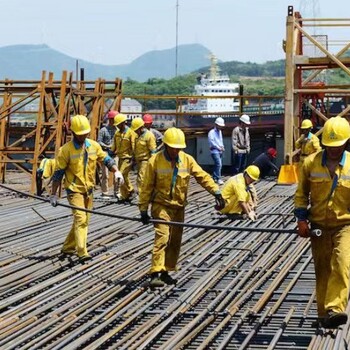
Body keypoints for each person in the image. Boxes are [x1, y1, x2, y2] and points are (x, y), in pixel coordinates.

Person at [138, 127, 225, 288]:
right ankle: (155, 272)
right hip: (161, 206)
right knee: (162, 237)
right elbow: (146, 186)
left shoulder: (187, 160)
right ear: (165, 146)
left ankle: (166, 271)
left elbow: (202, 177)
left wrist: (216, 192)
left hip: (179, 207)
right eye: (173, 148)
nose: (176, 151)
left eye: (178, 148)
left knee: (175, 240)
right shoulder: (154, 161)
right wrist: (143, 209)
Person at [294, 116, 350, 328]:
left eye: (338, 145)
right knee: (323, 270)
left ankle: (335, 308)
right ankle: (323, 315)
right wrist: (301, 219)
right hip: (317, 226)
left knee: (342, 264)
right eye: (330, 145)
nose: (334, 150)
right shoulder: (310, 163)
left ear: (346, 142)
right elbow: (301, 194)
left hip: (344, 225)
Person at [50, 115, 123, 263]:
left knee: (82, 220)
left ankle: (67, 247)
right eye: (80, 133)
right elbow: (58, 174)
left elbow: (106, 159)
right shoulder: (66, 150)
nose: (83, 135)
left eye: (85, 133)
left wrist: (116, 171)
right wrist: (53, 194)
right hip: (74, 190)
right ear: (74, 132)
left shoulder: (93, 146)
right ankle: (82, 252)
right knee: (81, 219)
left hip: (89, 190)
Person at [111, 113, 137, 201]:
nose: (117, 126)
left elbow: (133, 145)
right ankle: (125, 195)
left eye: (118, 124)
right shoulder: (117, 133)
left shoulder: (130, 133)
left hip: (128, 158)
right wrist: (110, 153)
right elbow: (114, 146)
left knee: (120, 175)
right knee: (123, 177)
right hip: (120, 158)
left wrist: (134, 158)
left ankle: (131, 190)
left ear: (123, 123)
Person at [131, 117, 156, 193]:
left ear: (141, 128)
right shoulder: (136, 135)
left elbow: (153, 151)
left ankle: (142, 196)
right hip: (138, 160)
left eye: (136, 130)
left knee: (141, 178)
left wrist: (153, 164)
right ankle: (143, 194)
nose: (135, 131)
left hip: (146, 160)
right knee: (140, 177)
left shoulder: (149, 136)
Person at [97, 110, 117, 197]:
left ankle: (117, 192)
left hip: (115, 154)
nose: (114, 121)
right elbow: (99, 142)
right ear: (109, 119)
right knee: (105, 174)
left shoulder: (118, 130)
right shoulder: (103, 130)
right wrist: (107, 146)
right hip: (105, 153)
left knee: (117, 173)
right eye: (112, 119)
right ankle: (105, 192)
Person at [208, 117, 225, 184]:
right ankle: (218, 178)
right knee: (219, 164)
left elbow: (220, 140)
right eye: (219, 125)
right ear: (216, 124)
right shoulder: (211, 132)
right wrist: (218, 147)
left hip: (219, 150)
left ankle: (214, 178)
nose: (220, 127)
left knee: (217, 165)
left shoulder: (220, 132)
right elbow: (212, 142)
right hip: (214, 151)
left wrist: (222, 146)